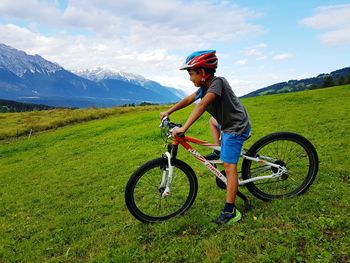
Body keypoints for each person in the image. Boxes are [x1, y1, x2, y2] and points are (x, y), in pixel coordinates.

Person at [160, 50, 251, 225]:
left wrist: (184, 128)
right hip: (225, 123)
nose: (190, 78)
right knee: (212, 121)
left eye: (191, 74)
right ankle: (219, 151)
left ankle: (231, 211)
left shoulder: (217, 83)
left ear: (202, 73)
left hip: (236, 127)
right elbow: (188, 100)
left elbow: (202, 105)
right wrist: (169, 111)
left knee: (229, 167)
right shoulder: (204, 87)